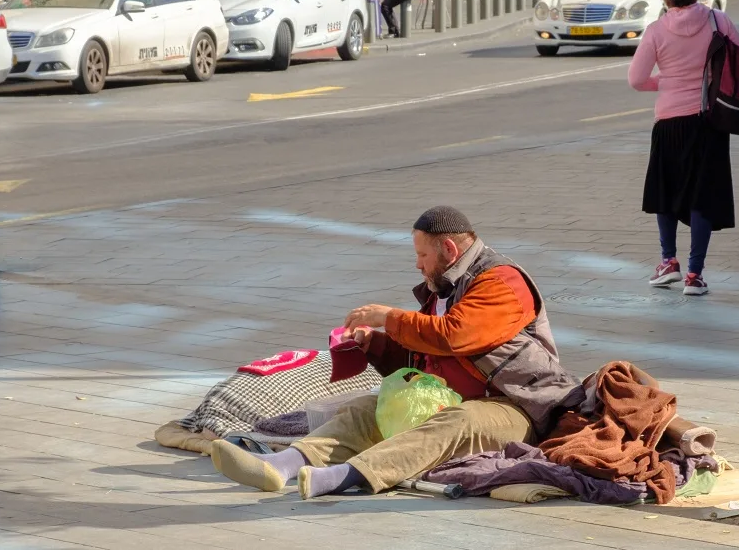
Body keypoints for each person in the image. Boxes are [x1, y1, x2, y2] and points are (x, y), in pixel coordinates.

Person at [210, 206, 583, 500]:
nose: (417, 264)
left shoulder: (502, 282)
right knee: (366, 408)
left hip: (517, 407)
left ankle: (345, 476)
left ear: (449, 249)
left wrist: (387, 317)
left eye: (422, 254)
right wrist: (375, 345)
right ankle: (281, 465)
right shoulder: (443, 290)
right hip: (446, 397)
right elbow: (420, 358)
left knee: (459, 420)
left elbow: (456, 337)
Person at [628, 0, 739, 296]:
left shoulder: (656, 30)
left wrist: (664, 83)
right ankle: (695, 274)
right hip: (708, 120)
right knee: (702, 195)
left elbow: (637, 79)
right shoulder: (718, 22)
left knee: (665, 192)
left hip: (668, 123)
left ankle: (668, 262)